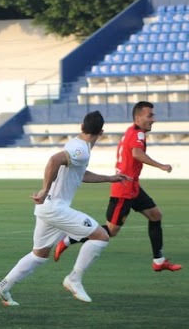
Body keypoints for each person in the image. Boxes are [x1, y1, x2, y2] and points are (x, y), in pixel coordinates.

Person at [0, 111, 131, 306]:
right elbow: (55, 160)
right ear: (101, 132)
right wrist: (45, 189)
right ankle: (74, 279)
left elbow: (79, 173)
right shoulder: (81, 149)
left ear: (82, 127)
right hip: (55, 207)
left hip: (47, 208)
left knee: (39, 255)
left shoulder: (76, 145)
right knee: (101, 236)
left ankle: (2, 287)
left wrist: (109, 178)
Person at [54, 101, 182, 272]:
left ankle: (159, 261)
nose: (154, 119)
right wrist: (161, 166)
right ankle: (69, 240)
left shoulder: (132, 131)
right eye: (149, 115)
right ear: (138, 118)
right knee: (111, 231)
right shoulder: (138, 135)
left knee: (155, 215)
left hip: (132, 186)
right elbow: (137, 153)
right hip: (124, 189)